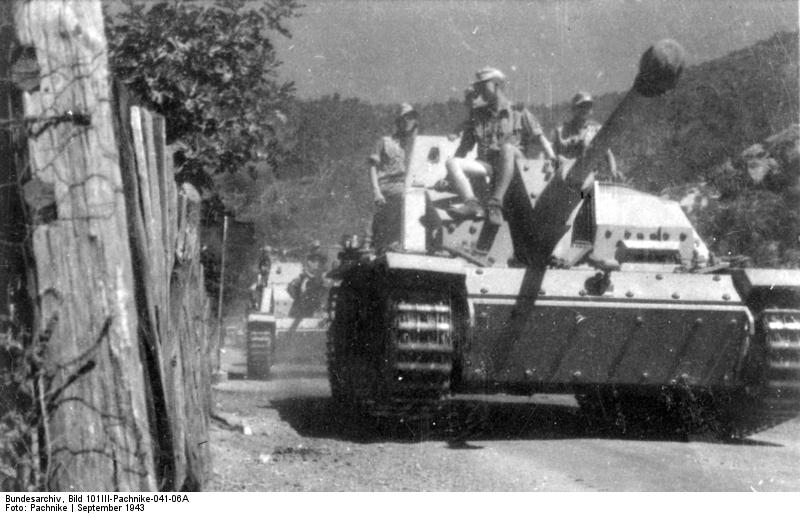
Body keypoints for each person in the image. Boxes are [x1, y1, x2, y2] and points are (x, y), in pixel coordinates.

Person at [445, 67, 557, 225]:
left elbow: (540, 138)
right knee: (452, 162)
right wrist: (449, 177)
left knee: (507, 148)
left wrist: (552, 158)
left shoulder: (518, 112)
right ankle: (472, 204)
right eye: (478, 86)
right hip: (490, 165)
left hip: (517, 165)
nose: (479, 90)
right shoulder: (478, 115)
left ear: (496, 85)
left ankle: (495, 204)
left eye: (483, 85)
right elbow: (463, 149)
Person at [368, 103, 419, 249]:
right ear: (398, 121)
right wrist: (376, 191)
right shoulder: (385, 142)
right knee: (408, 197)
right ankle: (396, 241)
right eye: (405, 118)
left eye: (411, 118)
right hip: (388, 185)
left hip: (407, 185)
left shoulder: (414, 143)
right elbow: (373, 167)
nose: (408, 121)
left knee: (421, 198)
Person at [553, 91, 602, 160]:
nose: (584, 109)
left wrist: (613, 170)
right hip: (569, 168)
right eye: (581, 106)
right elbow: (556, 154)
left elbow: (608, 153)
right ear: (573, 109)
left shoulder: (597, 129)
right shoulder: (562, 130)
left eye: (588, 106)